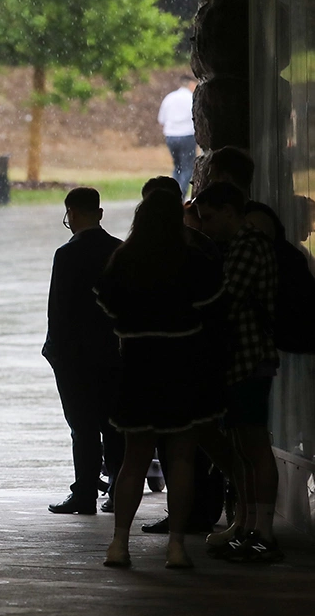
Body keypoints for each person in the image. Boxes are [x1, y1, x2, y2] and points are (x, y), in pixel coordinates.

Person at [97, 191, 225, 569]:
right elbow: (213, 305)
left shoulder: (124, 259)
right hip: (183, 364)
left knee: (133, 459)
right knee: (182, 458)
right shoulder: (193, 260)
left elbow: (107, 304)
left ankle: (119, 543)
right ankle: (176, 547)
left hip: (138, 364)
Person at [194, 182, 283, 563]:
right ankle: (249, 525)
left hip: (249, 359)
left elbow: (226, 302)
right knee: (244, 447)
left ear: (230, 211)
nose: (206, 226)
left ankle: (261, 529)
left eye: (210, 217)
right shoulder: (242, 245)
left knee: (253, 446)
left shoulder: (247, 246)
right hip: (244, 360)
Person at [42, 188, 124, 515]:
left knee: (83, 426)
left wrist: (53, 351)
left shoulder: (66, 254)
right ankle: (118, 489)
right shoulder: (119, 250)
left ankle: (85, 492)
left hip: (75, 356)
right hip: (114, 352)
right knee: (115, 425)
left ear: (71, 214)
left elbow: (58, 310)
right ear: (100, 213)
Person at [157, 76, 198, 194]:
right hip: (187, 136)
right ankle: (180, 195)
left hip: (171, 136)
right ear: (190, 84)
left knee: (177, 166)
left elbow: (161, 120)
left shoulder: (169, 98)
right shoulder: (191, 98)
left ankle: (172, 192)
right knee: (187, 168)